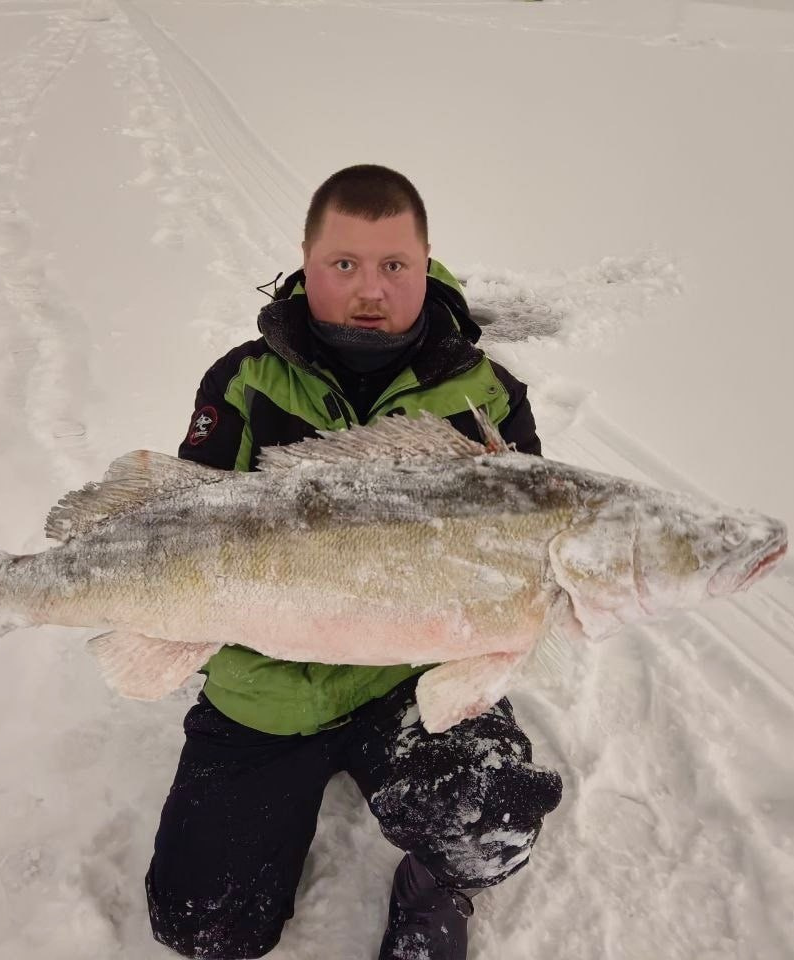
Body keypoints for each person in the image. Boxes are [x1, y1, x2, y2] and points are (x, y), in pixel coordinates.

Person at [147, 164, 563, 960]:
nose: (369, 289)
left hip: (406, 679)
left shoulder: (489, 396)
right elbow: (183, 526)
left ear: (427, 260)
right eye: (344, 265)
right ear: (306, 261)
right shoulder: (241, 382)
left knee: (490, 823)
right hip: (265, 685)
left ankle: (435, 881)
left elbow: (522, 546)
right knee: (201, 926)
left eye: (393, 266)